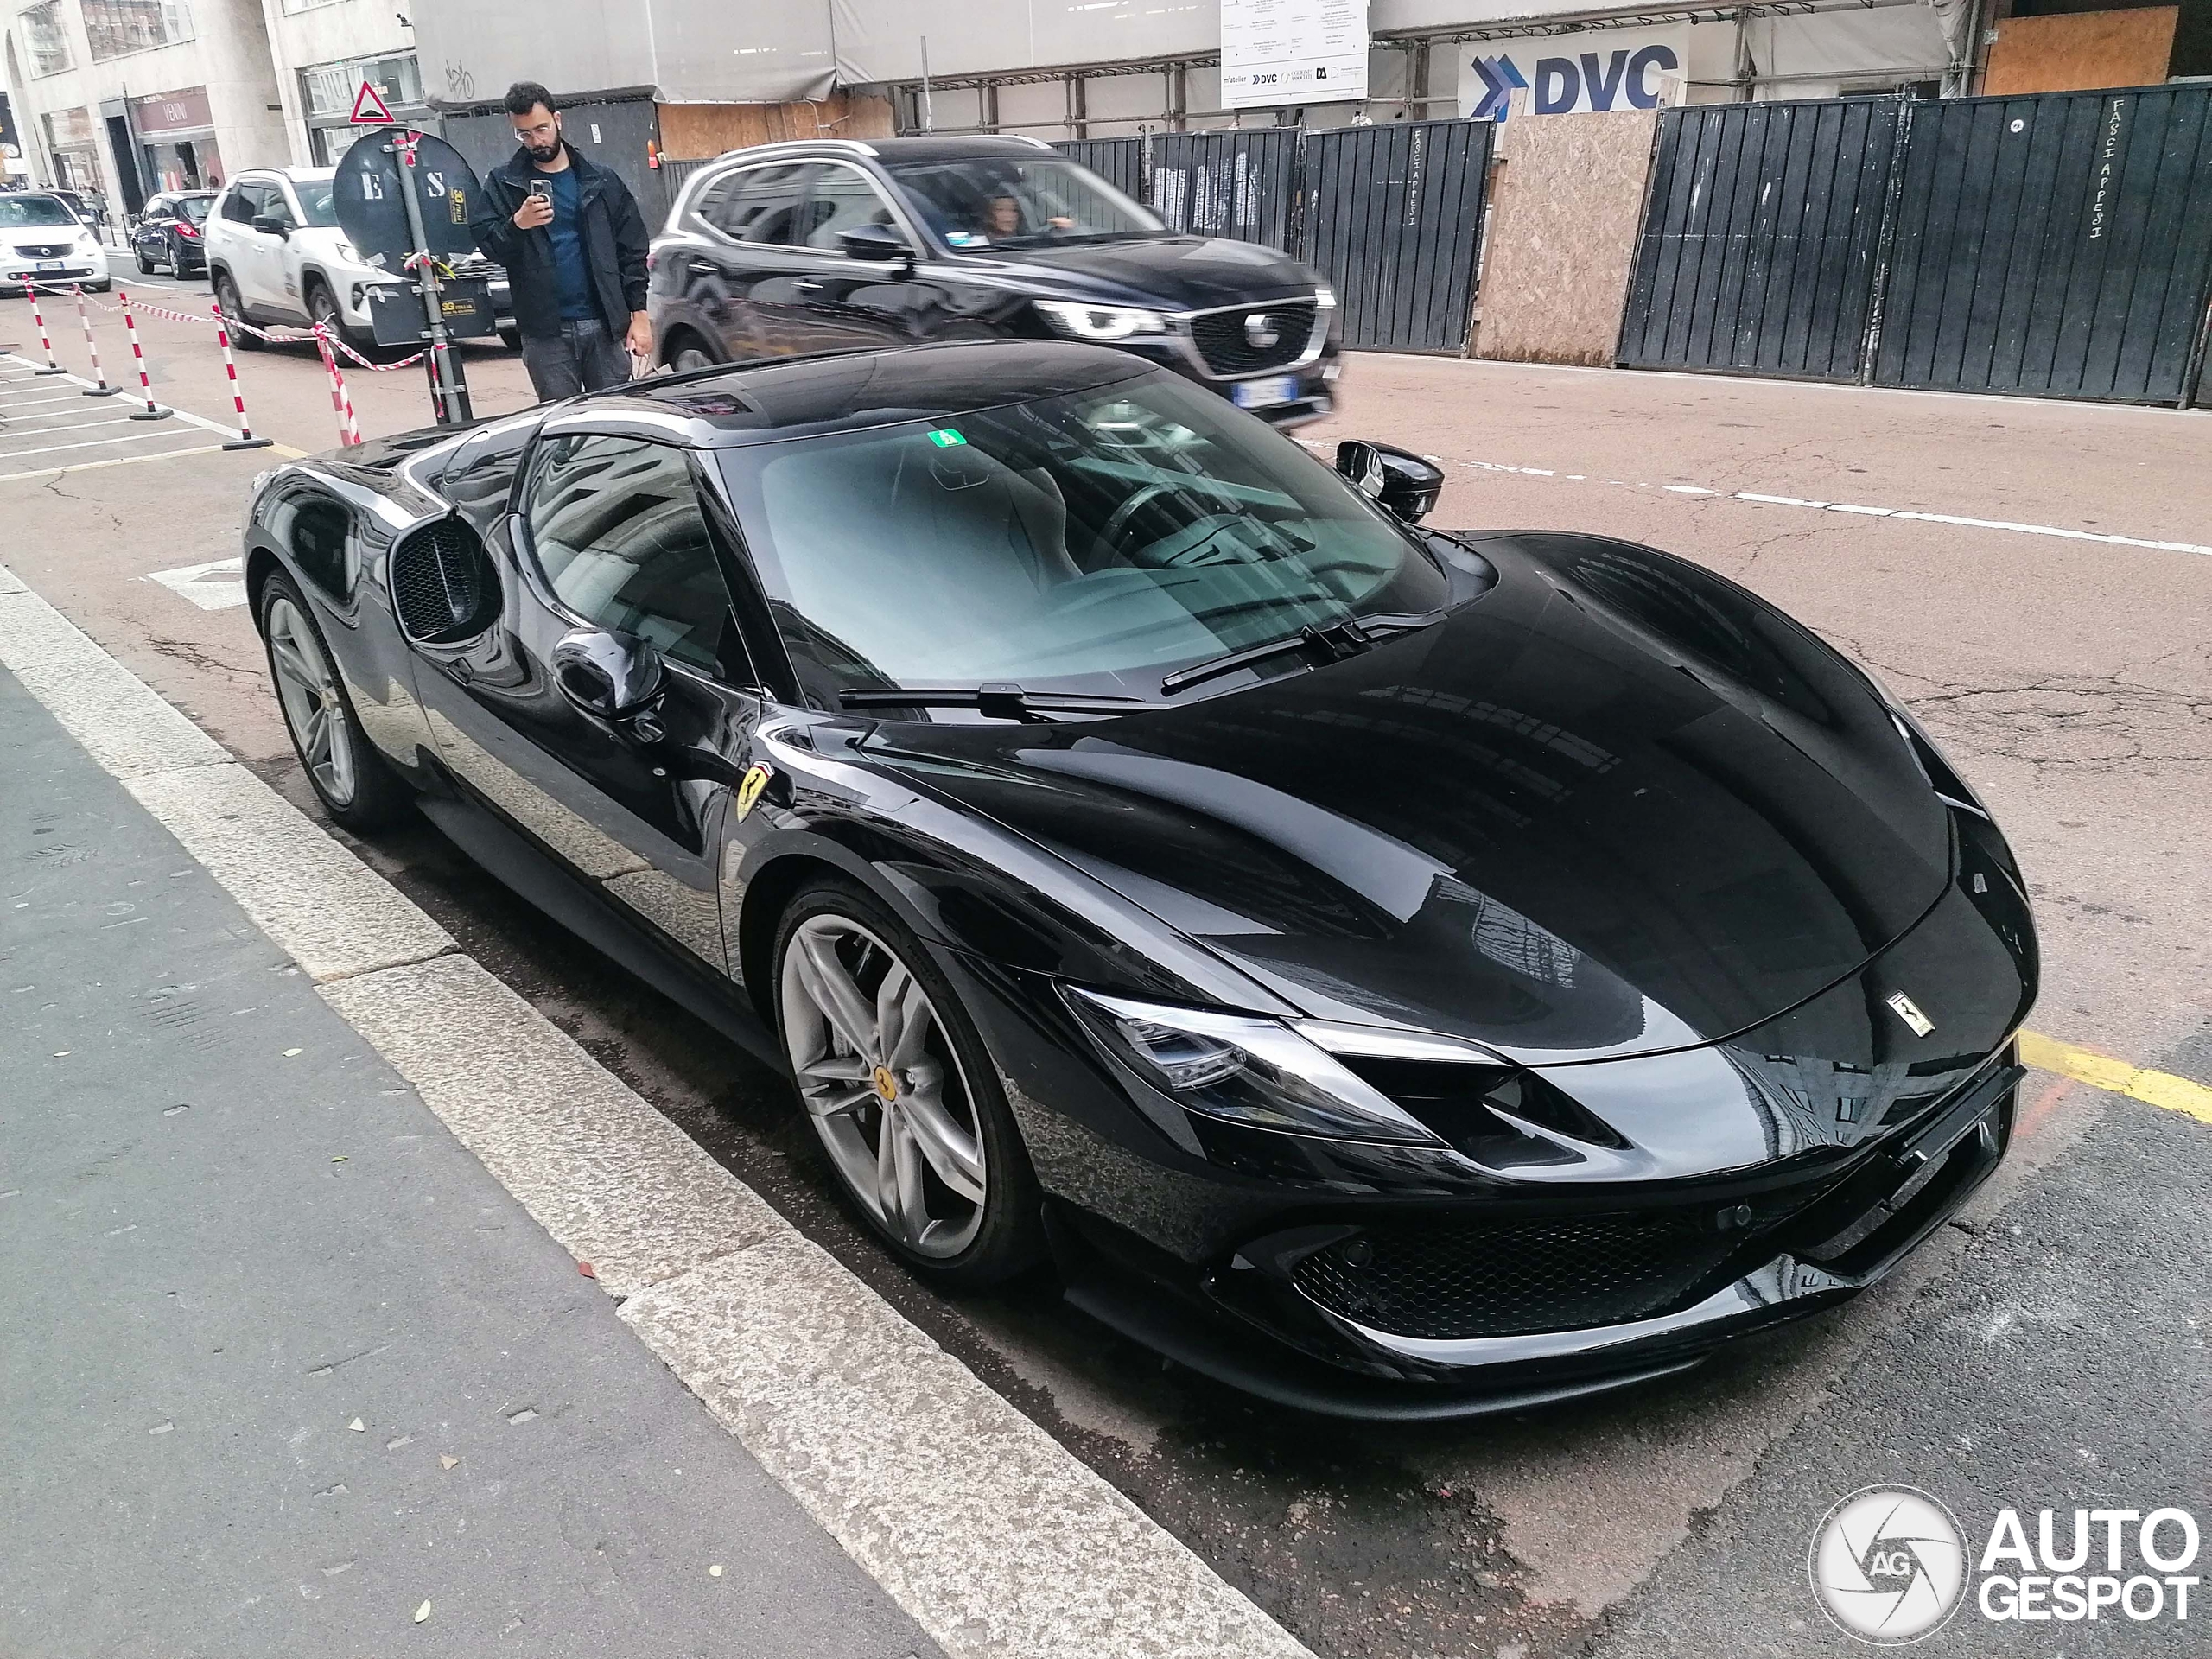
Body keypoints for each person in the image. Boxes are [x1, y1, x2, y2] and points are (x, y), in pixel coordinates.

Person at [471, 81, 652, 400]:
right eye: (524, 134)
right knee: (562, 429)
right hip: (545, 334)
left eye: (541, 129)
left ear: (558, 119)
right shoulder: (504, 184)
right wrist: (517, 224)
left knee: (614, 423)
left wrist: (639, 317)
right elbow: (491, 247)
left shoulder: (601, 180)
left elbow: (632, 250)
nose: (536, 141)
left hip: (605, 324)